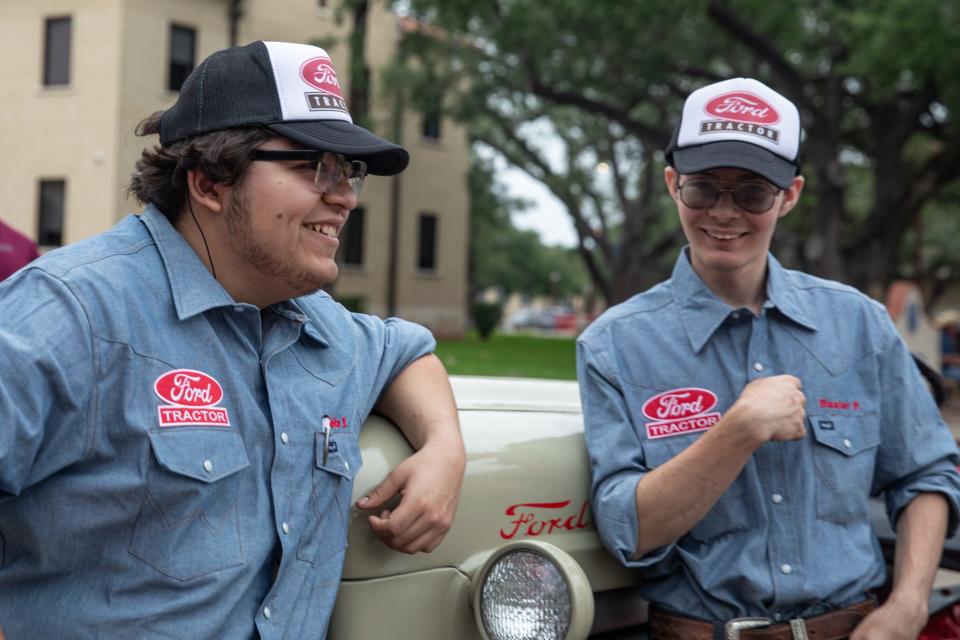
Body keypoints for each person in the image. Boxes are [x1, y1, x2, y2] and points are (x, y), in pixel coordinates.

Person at [0, 41, 466, 639]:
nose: (346, 196)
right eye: (314, 167)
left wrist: (444, 446)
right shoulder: (68, 314)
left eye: (350, 172)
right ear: (210, 182)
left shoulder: (318, 326)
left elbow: (406, 352)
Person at [577, 77, 960, 640]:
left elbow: (925, 472)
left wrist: (906, 606)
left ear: (791, 195)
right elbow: (630, 531)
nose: (724, 213)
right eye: (703, 188)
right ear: (672, 185)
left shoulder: (859, 324)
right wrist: (737, 431)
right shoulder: (613, 345)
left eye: (753, 193)